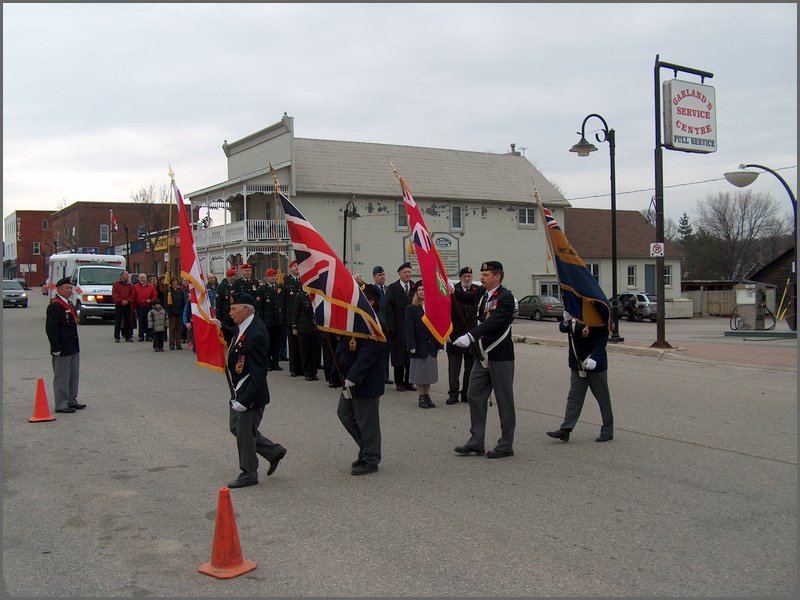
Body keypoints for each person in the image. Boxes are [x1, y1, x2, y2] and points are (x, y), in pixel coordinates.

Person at [213, 292, 287, 488]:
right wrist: (220, 328)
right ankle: (273, 451)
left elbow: (259, 373)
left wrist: (246, 400)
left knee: (244, 433)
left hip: (250, 393)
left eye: (234, 309)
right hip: (240, 388)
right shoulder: (244, 325)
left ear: (246, 309)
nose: (230, 312)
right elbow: (236, 338)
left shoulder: (257, 334)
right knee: (235, 428)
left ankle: (248, 473)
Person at [452, 260, 517, 459]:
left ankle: (506, 443)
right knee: (474, 394)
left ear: (498, 276)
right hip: (482, 356)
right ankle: (476, 440)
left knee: (504, 400)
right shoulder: (482, 294)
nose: (482, 277)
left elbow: (495, 321)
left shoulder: (505, 297)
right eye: (482, 274)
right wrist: (451, 290)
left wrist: (471, 336)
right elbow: (468, 297)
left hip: (500, 356)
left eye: (486, 275)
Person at [336, 284, 386, 476]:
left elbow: (369, 354)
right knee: (344, 413)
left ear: (371, 301)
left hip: (366, 381)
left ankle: (371, 458)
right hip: (350, 378)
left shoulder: (376, 322)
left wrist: (353, 377)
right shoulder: (358, 317)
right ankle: (366, 449)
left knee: (367, 421)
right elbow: (344, 344)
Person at [547, 312, 614, 443]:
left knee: (602, 398)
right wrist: (566, 320)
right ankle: (566, 429)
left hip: (594, 365)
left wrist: (594, 358)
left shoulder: (598, 313)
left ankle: (608, 430)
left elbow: (602, 338)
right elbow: (563, 329)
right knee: (574, 397)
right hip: (577, 364)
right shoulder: (574, 312)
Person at [45, 276, 85, 413]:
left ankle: (72, 400)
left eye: (71, 288)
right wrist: (55, 348)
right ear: (60, 289)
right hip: (62, 347)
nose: (70, 290)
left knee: (73, 374)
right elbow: (51, 330)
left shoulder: (69, 303)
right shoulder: (55, 306)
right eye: (67, 288)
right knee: (62, 376)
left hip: (72, 345)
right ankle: (61, 403)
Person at [404, 281, 442, 408]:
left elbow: (438, 327)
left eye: (423, 289)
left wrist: (440, 345)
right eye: (419, 290)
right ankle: (421, 396)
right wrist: (411, 346)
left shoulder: (433, 307)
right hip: (418, 346)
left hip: (431, 346)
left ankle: (427, 395)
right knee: (420, 374)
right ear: (416, 292)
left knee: (429, 374)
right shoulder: (411, 308)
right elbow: (409, 329)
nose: (421, 292)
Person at [446, 266, 481, 404]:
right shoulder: (452, 290)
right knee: (454, 368)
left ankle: (466, 392)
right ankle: (453, 393)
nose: (467, 279)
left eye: (469, 276)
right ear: (460, 278)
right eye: (464, 276)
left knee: (470, 367)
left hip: (471, 334)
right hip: (454, 334)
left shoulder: (476, 291)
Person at [384, 262, 416, 392]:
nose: (408, 274)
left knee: (411, 355)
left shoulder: (414, 288)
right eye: (405, 272)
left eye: (409, 272)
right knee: (399, 355)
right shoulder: (393, 288)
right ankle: (399, 382)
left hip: (411, 328)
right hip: (398, 327)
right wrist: (391, 327)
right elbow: (388, 309)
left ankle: (409, 382)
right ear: (400, 274)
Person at [255, 268, 283, 370]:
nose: (274, 277)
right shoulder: (262, 289)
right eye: (272, 276)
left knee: (277, 342)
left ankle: (275, 361)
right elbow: (259, 307)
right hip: (267, 321)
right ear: (267, 277)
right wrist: (260, 322)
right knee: (268, 343)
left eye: (275, 275)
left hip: (277, 320)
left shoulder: (279, 287)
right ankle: (267, 362)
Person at [292, 288, 320, 381]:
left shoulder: (316, 295)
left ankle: (314, 372)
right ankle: (307, 372)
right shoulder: (301, 296)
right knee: (305, 351)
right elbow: (295, 311)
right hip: (304, 327)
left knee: (314, 351)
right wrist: (294, 326)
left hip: (314, 328)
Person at [282, 259, 303, 377]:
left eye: (298, 265)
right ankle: (294, 369)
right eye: (295, 266)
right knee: (293, 343)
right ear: (290, 268)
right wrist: (283, 318)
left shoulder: (303, 280)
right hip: (290, 316)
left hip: (302, 316)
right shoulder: (285, 281)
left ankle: (302, 367)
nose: (297, 268)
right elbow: (282, 301)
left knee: (302, 344)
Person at [372, 265, 393, 385]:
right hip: (377, 325)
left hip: (388, 326)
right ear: (374, 277)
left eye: (383, 274)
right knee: (377, 353)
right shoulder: (372, 290)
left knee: (386, 352)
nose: (382, 277)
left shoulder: (389, 289)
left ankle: (385, 375)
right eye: (379, 275)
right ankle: (377, 375)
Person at [112, 270, 136, 342]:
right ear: (122, 276)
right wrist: (121, 300)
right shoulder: (116, 284)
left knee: (128, 321)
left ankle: (128, 336)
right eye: (126, 275)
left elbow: (132, 294)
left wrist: (127, 301)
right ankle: (117, 337)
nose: (127, 276)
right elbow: (115, 294)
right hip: (119, 305)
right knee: (118, 321)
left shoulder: (130, 285)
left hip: (127, 305)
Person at [134, 273, 158, 342]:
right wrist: (134, 307)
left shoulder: (151, 286)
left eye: (143, 277)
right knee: (140, 321)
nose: (142, 279)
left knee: (148, 321)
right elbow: (134, 297)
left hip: (148, 306)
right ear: (139, 279)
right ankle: (141, 336)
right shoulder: (135, 287)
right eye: (141, 278)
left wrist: (151, 300)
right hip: (139, 306)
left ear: (146, 278)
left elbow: (155, 295)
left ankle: (149, 335)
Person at [165, 277, 185, 350]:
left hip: (179, 312)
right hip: (172, 313)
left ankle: (178, 344)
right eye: (173, 281)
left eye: (175, 281)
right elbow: (166, 303)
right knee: (172, 329)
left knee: (179, 329)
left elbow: (183, 302)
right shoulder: (168, 290)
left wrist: (183, 311)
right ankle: (172, 344)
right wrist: (168, 312)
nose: (174, 282)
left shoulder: (181, 290)